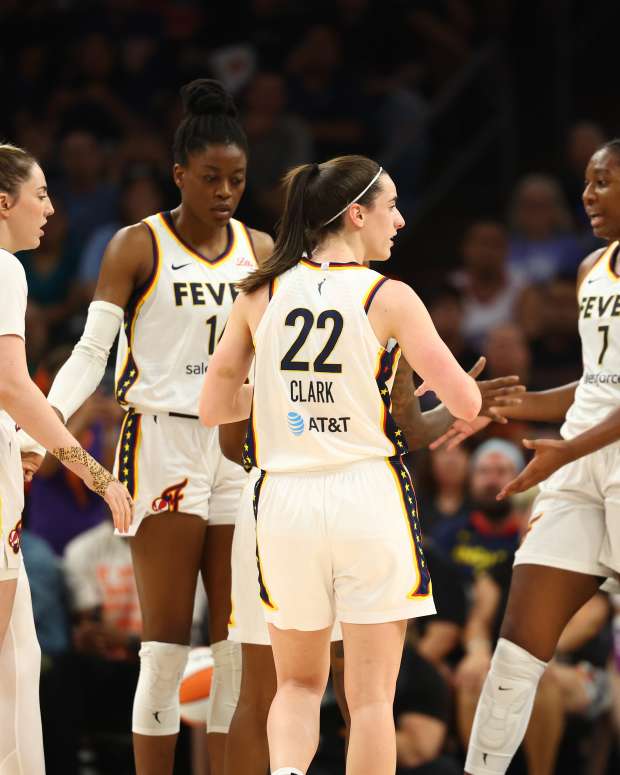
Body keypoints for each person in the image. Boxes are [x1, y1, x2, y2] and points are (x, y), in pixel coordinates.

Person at [200, 155, 482, 775]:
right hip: (366, 497)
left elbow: (214, 405)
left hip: (283, 500)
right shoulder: (390, 296)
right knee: (373, 699)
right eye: (392, 207)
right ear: (357, 215)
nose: (402, 221)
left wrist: (276, 398)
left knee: (297, 687)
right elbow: (466, 401)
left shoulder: (260, 291)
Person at [23, 79, 273, 775]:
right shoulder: (138, 245)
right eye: (212, 178)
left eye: (238, 179)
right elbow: (90, 353)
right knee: (164, 644)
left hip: (237, 448)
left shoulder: (260, 246)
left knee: (231, 642)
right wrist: (43, 425)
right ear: (179, 175)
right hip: (161, 440)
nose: (226, 191)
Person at [459, 138, 620, 775]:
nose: (587, 195)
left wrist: (564, 451)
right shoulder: (589, 270)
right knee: (515, 652)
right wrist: (505, 407)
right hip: (579, 460)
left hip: (585, 454)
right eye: (585, 182)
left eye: (603, 182)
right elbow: (599, 385)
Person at [0, 143, 131, 774]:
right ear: (5, 203)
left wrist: (17, 440)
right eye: (42, 193)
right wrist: (98, 474)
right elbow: (13, 384)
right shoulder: (4, 268)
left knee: (18, 659)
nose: (52, 208)